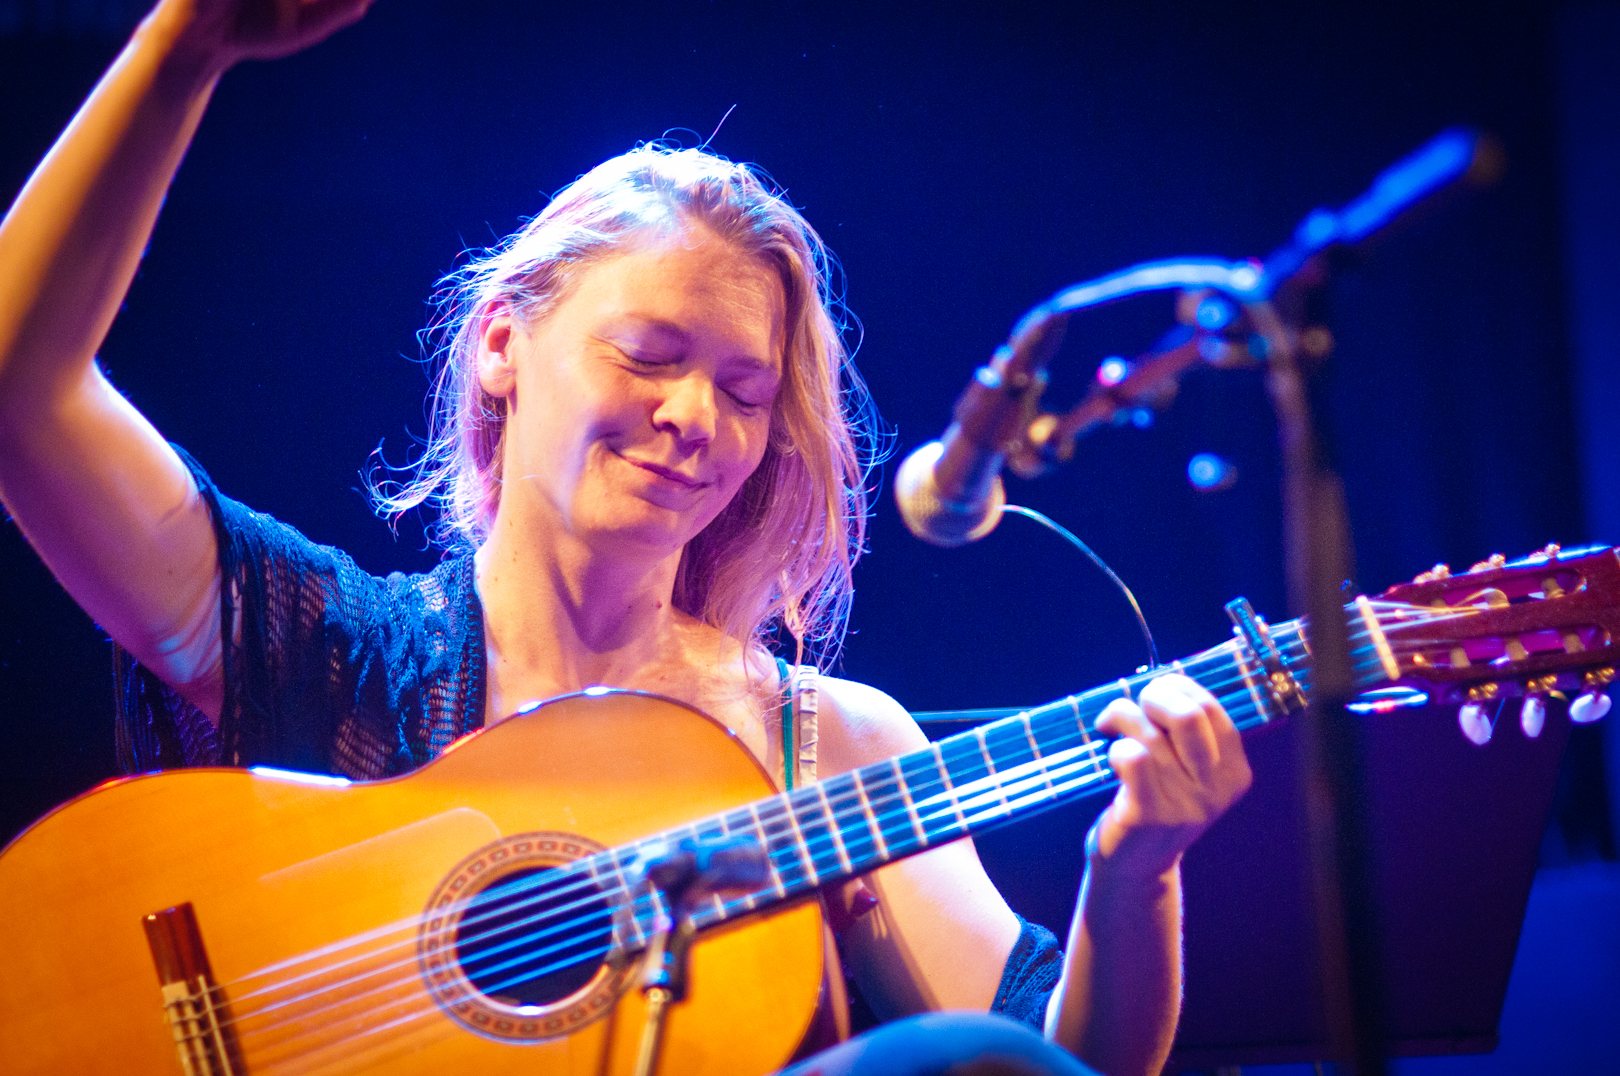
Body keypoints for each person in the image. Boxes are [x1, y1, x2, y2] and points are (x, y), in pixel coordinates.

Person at [0, 3, 1253, 1075]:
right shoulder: (328, 648)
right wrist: (185, 47)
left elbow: (1051, 1065)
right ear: (502, 343)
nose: (695, 418)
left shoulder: (823, 744)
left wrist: (1136, 870)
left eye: (747, 393)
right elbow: (19, 392)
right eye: (650, 355)